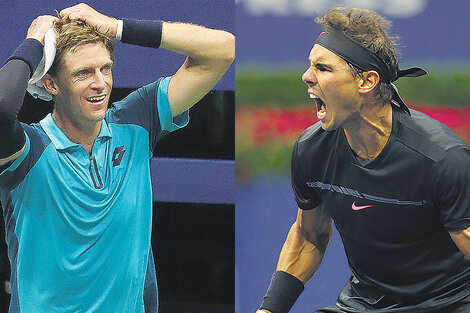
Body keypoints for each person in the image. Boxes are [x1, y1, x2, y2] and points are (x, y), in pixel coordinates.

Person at [0, 3, 234, 312]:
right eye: (83, 73)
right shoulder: (29, 150)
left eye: (105, 68)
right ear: (51, 83)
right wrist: (34, 42)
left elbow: (223, 50)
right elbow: (3, 109)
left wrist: (118, 26)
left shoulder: (135, 122)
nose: (100, 83)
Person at [256, 7, 470, 313]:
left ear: (367, 82)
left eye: (323, 68)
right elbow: (309, 234)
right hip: (363, 304)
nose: (307, 76)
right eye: (309, 65)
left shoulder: (442, 159)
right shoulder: (311, 149)